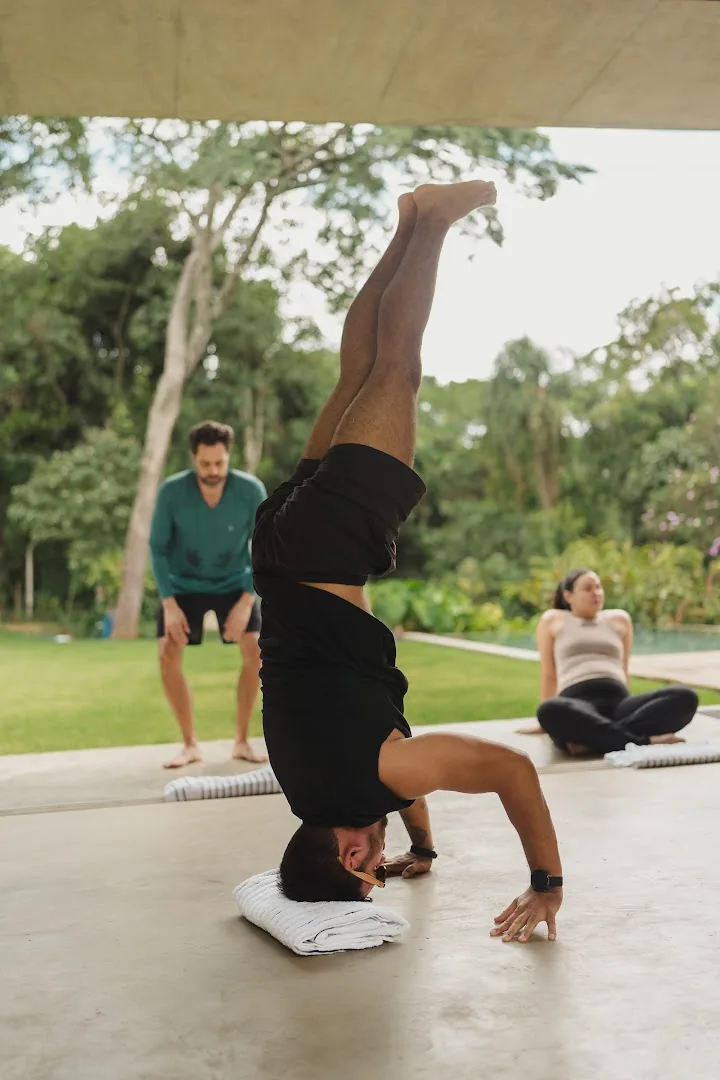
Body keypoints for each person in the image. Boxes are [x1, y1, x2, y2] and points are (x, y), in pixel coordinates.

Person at [252, 181, 564, 944]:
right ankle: (407, 222)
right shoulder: (307, 792)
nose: (377, 864)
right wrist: (422, 845)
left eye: (368, 868)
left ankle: (434, 223)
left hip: (328, 549)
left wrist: (545, 883)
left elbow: (513, 773)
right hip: (276, 550)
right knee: (357, 379)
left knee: (397, 373)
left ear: (351, 850)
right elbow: (393, 769)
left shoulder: (374, 779)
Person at [150, 420, 268, 769]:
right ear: (193, 458)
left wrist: (247, 600)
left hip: (235, 581)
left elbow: (263, 548)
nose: (213, 471)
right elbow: (158, 548)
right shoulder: (172, 492)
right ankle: (190, 744)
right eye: (205, 464)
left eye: (219, 463)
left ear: (228, 458)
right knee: (167, 653)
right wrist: (169, 603)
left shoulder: (250, 490)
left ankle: (242, 741)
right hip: (183, 584)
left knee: (256, 651)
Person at [534, 567, 699, 756]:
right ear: (568, 595)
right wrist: (543, 724)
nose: (595, 593)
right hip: (577, 701)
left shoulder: (619, 619)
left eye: (598, 587)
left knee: (685, 697)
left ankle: (596, 740)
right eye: (588, 588)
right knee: (549, 710)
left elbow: (624, 668)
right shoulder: (553, 620)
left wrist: (636, 708)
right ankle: (643, 742)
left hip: (620, 702)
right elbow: (549, 673)